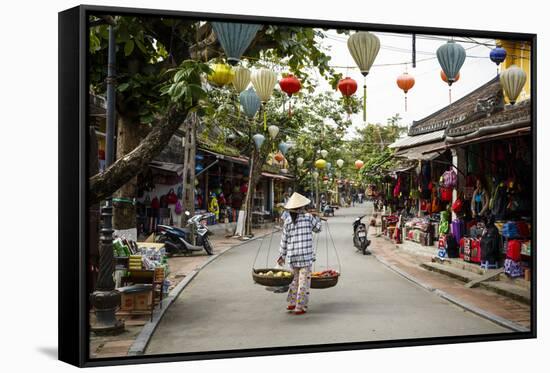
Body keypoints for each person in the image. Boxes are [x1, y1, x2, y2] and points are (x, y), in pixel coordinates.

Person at [277, 192, 322, 315]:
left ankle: (292, 303)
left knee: (294, 280)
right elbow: (318, 228)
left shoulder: (287, 221)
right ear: (301, 207)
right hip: (305, 256)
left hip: (293, 256)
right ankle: (300, 306)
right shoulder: (308, 218)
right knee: (303, 282)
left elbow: (284, 240)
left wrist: (282, 255)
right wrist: (317, 217)